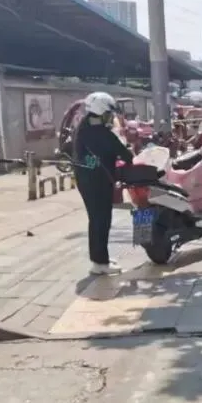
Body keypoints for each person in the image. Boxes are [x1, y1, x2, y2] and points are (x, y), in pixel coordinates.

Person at [71, 92, 133, 276]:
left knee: (97, 219)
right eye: (109, 113)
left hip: (88, 179)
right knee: (101, 220)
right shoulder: (99, 132)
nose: (111, 117)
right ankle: (100, 263)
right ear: (101, 111)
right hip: (96, 182)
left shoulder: (84, 126)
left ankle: (99, 259)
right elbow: (124, 154)